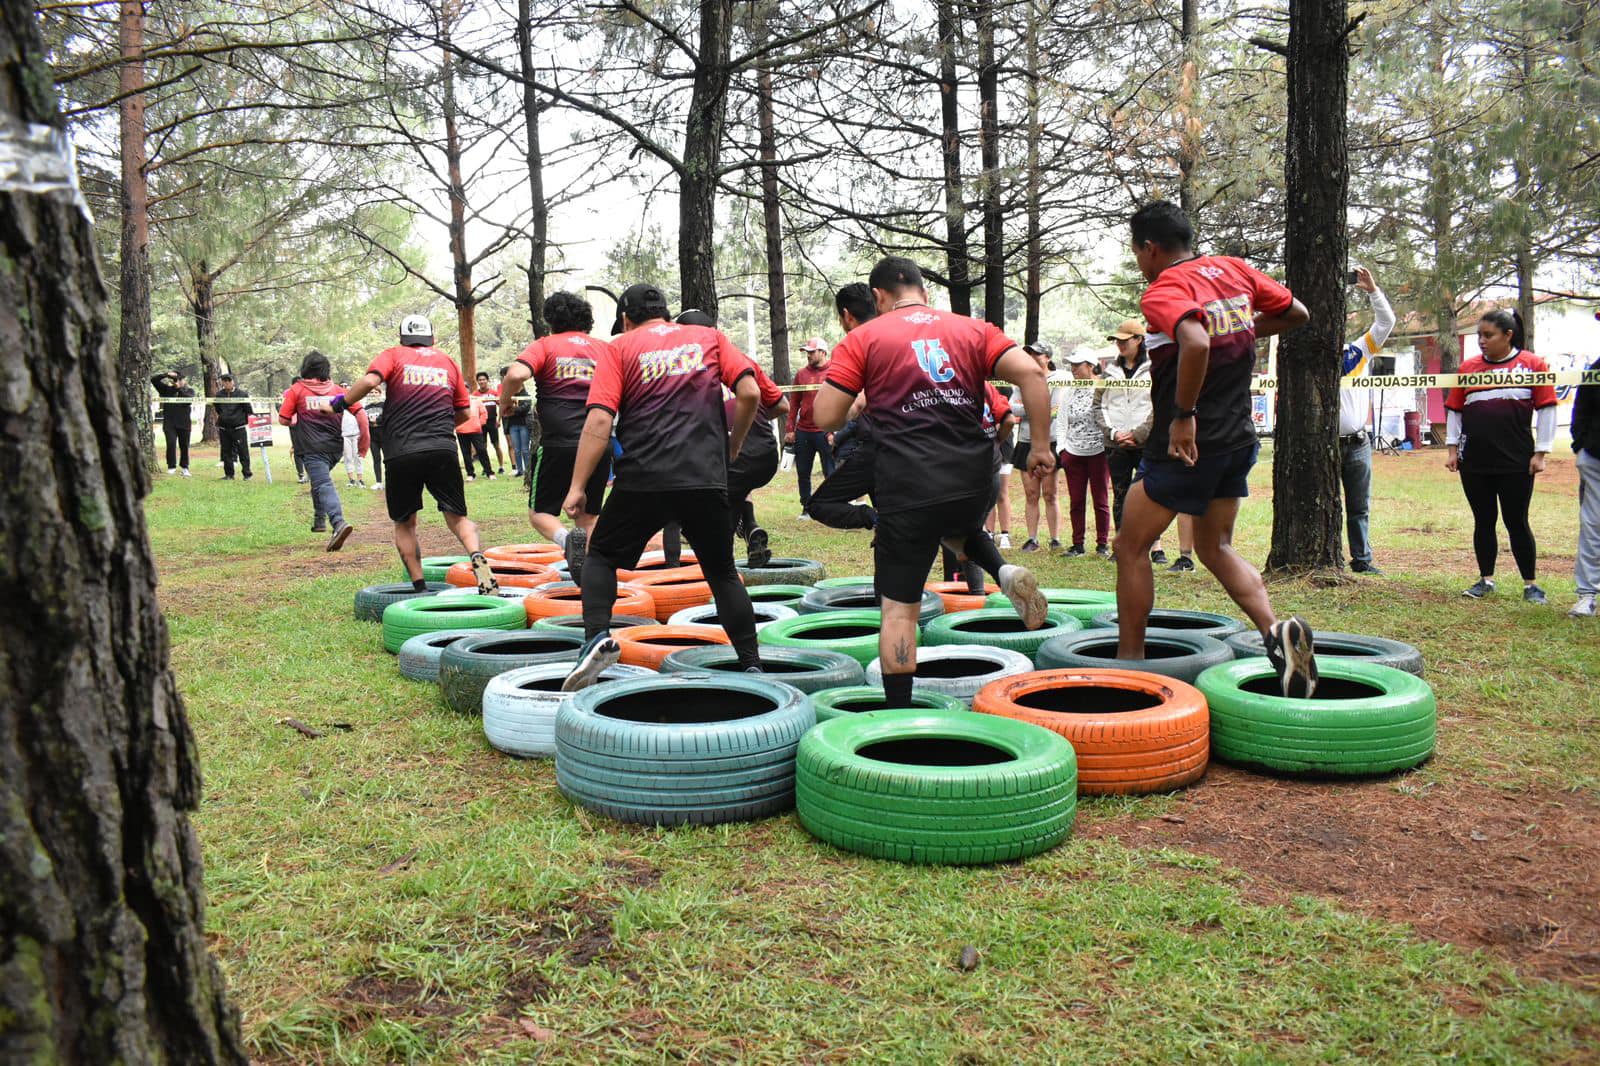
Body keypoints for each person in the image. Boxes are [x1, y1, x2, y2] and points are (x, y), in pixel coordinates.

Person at [812, 256, 1052, 710]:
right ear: (924, 290)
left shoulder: (864, 337)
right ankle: (1003, 570)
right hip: (974, 478)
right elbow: (1033, 374)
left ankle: (900, 712)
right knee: (958, 528)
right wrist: (1039, 447)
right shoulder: (973, 329)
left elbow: (825, 416)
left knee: (899, 610)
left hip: (907, 483)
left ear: (878, 296)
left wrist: (861, 401)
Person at [1111, 200, 1317, 696]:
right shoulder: (1234, 269)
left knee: (1130, 546)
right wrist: (1242, 328)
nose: (1140, 262)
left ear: (1151, 248)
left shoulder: (1165, 288)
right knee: (1213, 545)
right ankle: (1275, 634)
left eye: (1138, 252)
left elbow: (1196, 343)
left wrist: (1183, 417)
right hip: (1237, 439)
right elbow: (1296, 314)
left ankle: (1129, 662)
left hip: (1186, 446)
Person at [558, 283, 765, 690]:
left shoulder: (619, 347)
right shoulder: (709, 337)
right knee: (722, 572)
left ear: (626, 320)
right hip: (703, 477)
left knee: (600, 555)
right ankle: (752, 662)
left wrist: (578, 486)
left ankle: (595, 640)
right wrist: (734, 443)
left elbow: (600, 421)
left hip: (642, 479)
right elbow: (751, 391)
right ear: (667, 315)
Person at [334, 315, 498, 594]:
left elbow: (371, 379)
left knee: (405, 522)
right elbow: (464, 413)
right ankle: (478, 562)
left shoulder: (393, 355)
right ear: (432, 338)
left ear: (402, 338)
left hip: (401, 451)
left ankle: (419, 587)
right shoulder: (446, 362)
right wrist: (441, 429)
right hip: (442, 448)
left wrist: (341, 402)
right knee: (457, 517)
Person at [1444, 308, 1556, 604]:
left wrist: (1541, 452)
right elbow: (1454, 411)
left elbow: (1547, 409)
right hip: (1475, 461)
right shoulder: (1467, 369)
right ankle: (1485, 579)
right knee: (1483, 520)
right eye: (1479, 335)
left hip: (1516, 460)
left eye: (1488, 335)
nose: (1481, 340)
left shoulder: (1533, 364)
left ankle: (1531, 585)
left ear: (1508, 335)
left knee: (1516, 520)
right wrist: (1452, 450)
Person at [499, 291, 614, 577]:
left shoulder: (545, 345)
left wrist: (504, 404)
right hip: (599, 443)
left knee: (541, 514)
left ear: (550, 319)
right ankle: (590, 578)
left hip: (558, 443)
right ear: (586, 319)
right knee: (588, 517)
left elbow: (515, 376)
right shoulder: (603, 349)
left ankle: (566, 543)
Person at [678, 308, 789, 567]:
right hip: (765, 454)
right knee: (733, 495)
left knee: (711, 526)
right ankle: (750, 530)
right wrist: (750, 421)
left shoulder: (683, 365)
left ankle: (722, 576)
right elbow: (782, 405)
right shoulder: (744, 359)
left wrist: (736, 437)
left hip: (729, 454)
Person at [1102, 320, 1188, 567]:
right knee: (1120, 495)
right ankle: (1121, 545)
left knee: (1150, 495)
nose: (1119, 344)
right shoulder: (1108, 372)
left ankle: (1156, 547)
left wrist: (1139, 433)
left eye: (1124, 339)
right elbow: (1100, 405)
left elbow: (1159, 405)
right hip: (1116, 443)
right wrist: (1114, 432)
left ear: (1139, 340)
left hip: (1147, 443)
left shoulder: (1155, 368)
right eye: (1116, 340)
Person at [808, 283, 881, 532]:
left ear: (847, 316)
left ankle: (873, 519)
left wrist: (835, 424)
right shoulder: (902, 335)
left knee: (819, 504)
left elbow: (855, 402)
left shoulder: (855, 343)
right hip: (919, 444)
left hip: (877, 447)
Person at [1338, 266, 1396, 574]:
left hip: (1357, 443)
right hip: (1326, 445)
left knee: (1358, 508)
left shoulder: (1358, 351)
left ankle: (1362, 560)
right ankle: (1330, 556)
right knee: (1328, 506)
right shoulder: (1308, 353)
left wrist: (1373, 291)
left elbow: (1387, 322)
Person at [278, 351, 365, 550]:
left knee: (323, 483)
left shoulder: (297, 390)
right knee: (319, 480)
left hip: (311, 448)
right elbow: (359, 412)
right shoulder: (337, 390)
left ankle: (338, 522)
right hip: (335, 449)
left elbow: (284, 419)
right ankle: (319, 520)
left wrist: (297, 418)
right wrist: (364, 442)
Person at [1056, 349, 1111, 556]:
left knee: (1101, 500)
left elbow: (1109, 417)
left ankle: (1102, 545)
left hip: (1099, 452)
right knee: (1076, 500)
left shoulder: (1102, 387)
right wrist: (1062, 450)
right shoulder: (1069, 390)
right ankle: (1077, 544)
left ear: (1090, 366)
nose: (1073, 369)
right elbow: (1061, 422)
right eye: (1071, 365)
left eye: (1077, 365)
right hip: (1073, 453)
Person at [1015, 343, 1062, 553]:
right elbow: (1011, 406)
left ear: (1047, 357)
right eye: (1030, 354)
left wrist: (1026, 409)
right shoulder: (1021, 379)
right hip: (1026, 440)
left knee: (1050, 493)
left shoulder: (1057, 379)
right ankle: (1032, 538)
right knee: (1031, 493)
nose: (1033, 357)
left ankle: (1055, 538)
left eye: (1037, 354)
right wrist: (1036, 408)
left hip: (1049, 440)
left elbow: (1054, 411)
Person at [787, 337, 836, 518]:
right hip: (804, 431)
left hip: (826, 430)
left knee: (830, 472)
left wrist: (834, 431)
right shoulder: (801, 374)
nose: (808, 355)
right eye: (806, 352)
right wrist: (790, 429)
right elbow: (794, 403)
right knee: (803, 472)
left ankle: (832, 507)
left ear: (823, 352)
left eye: (811, 352)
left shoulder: (835, 371)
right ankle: (807, 508)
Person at [1572, 321, 1600, 618]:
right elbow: (1580, 410)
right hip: (1595, 460)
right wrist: (1581, 447)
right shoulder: (1595, 369)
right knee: (1592, 528)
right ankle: (1587, 595)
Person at [150, 371, 193, 476]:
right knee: (171, 444)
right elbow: (154, 380)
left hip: (184, 423)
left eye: (180, 380)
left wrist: (179, 388)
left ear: (184, 380)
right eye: (176, 380)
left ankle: (185, 467)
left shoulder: (189, 390)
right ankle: (171, 466)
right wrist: (166, 374)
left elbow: (188, 401)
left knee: (184, 446)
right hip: (170, 423)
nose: (177, 382)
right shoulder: (166, 390)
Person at [214, 372, 252, 480]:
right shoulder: (219, 395)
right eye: (224, 381)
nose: (226, 383)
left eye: (228, 381)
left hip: (238, 428)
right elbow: (218, 408)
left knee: (243, 451)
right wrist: (224, 416)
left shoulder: (242, 394)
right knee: (226, 452)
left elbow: (248, 409)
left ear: (233, 381)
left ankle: (247, 474)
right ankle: (229, 474)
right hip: (224, 428)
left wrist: (239, 419)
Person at [500, 366, 532, 477]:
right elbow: (504, 409)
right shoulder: (509, 396)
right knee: (517, 449)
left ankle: (528, 470)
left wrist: (513, 410)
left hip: (524, 425)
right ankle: (519, 470)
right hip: (513, 426)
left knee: (525, 449)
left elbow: (525, 408)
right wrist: (513, 410)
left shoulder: (526, 396)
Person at [474, 371, 506, 474]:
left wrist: (499, 420)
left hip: (492, 422)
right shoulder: (475, 395)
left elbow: (501, 406)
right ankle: (486, 468)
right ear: (477, 382)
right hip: (480, 424)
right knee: (483, 447)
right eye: (480, 380)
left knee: (496, 445)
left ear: (487, 381)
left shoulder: (494, 393)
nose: (482, 381)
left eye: (483, 379)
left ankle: (501, 467)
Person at [339, 383, 367, 487]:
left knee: (358, 457)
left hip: (357, 434)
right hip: (345, 434)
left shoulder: (359, 404)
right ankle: (351, 480)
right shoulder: (341, 406)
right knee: (347, 457)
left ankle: (360, 480)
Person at [366, 384, 386, 490]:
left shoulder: (384, 405)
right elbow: (365, 420)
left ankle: (391, 481)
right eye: (371, 392)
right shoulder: (367, 407)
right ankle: (378, 482)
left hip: (384, 436)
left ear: (379, 393)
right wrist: (372, 423)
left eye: (375, 392)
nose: (373, 394)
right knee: (376, 459)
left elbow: (387, 417)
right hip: (373, 438)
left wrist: (376, 421)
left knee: (388, 459)